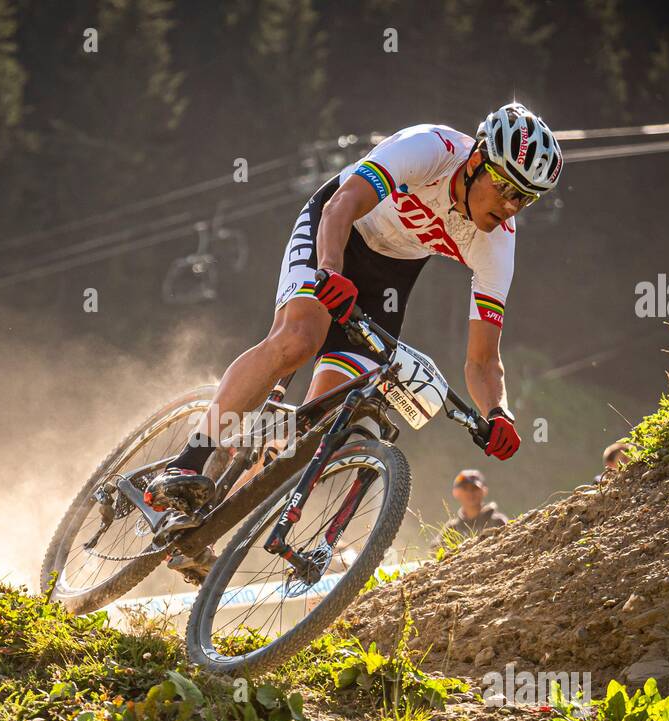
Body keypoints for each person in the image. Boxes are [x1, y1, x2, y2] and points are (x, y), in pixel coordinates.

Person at [144, 103, 565, 518]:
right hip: (338, 230)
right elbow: (341, 205)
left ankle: (208, 525)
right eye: (507, 188)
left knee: (319, 425)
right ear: (476, 160)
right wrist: (329, 269)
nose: (512, 207)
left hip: (389, 278)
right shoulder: (429, 148)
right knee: (298, 340)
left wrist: (498, 412)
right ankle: (188, 460)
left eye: (526, 199)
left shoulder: (497, 245)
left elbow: (483, 360)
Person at [435, 469, 507, 545]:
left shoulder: (497, 521)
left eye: (474, 488)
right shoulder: (452, 528)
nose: (470, 493)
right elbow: (434, 551)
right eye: (465, 488)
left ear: (484, 491)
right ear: (456, 493)